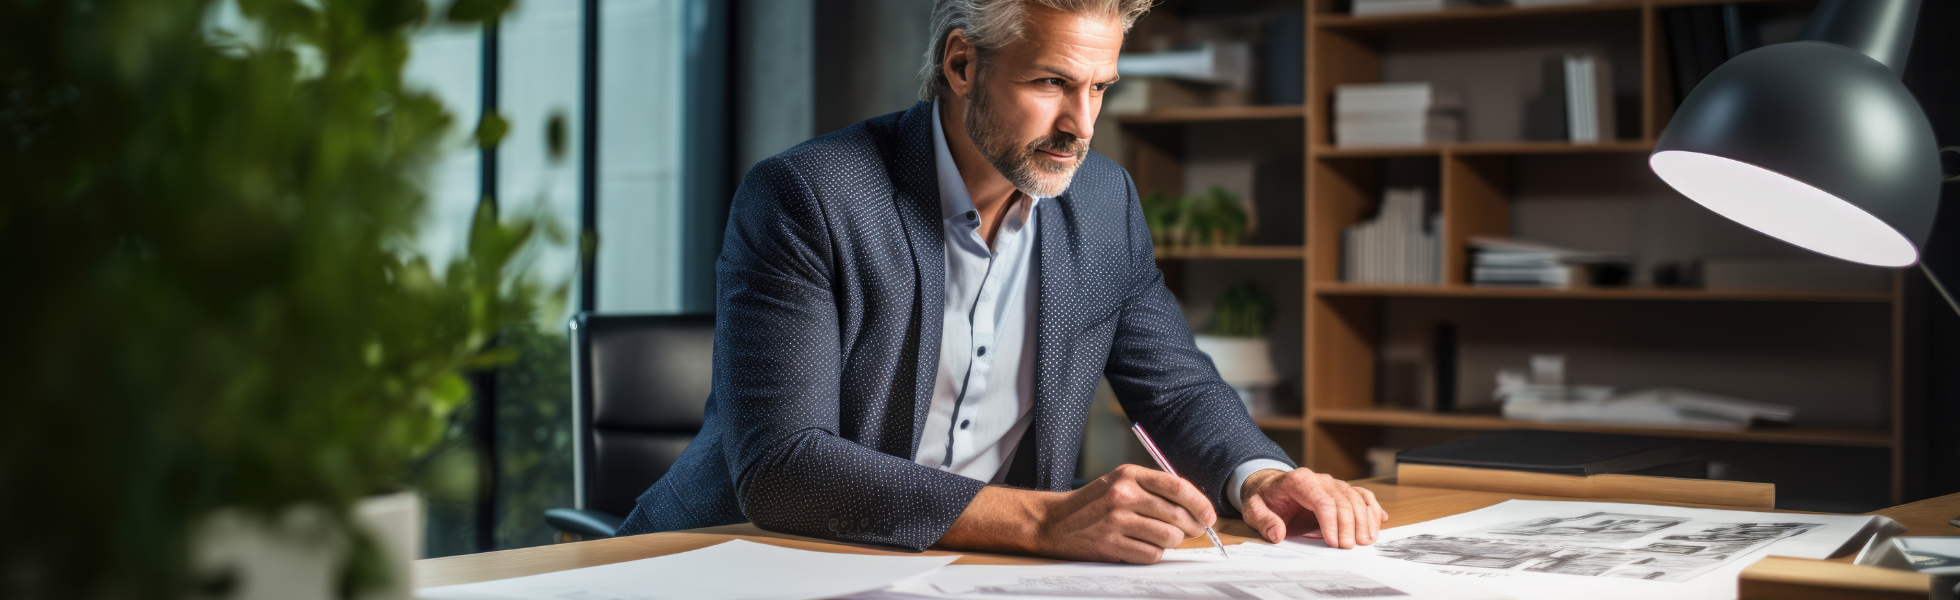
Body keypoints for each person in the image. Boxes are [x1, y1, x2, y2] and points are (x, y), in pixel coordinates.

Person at [617, 0, 1387, 563]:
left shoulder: (1104, 201)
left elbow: (1178, 388)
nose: (1081, 125)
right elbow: (784, 468)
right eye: (1052, 82)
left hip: (965, 574)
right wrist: (1047, 523)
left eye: (1099, 88)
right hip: (731, 558)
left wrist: (1260, 478)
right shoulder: (808, 196)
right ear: (961, 63)